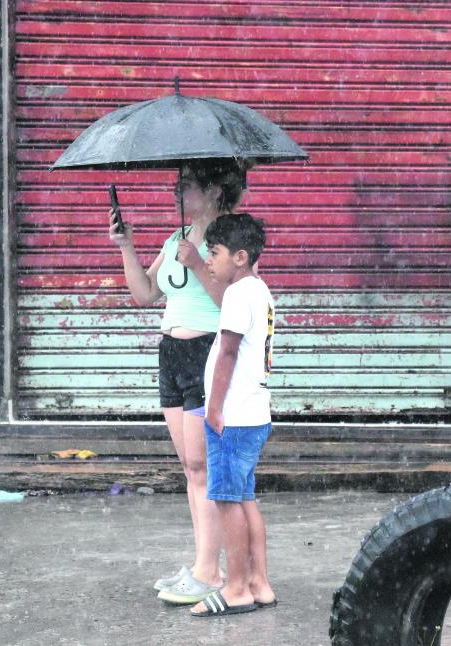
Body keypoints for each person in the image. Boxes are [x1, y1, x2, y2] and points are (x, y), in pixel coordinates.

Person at [108, 160, 248, 605]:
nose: (177, 193)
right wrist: (126, 246)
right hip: (171, 355)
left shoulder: (227, 242)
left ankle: (209, 572)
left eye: (185, 186)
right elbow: (146, 294)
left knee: (202, 466)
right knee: (191, 469)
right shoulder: (175, 239)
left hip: (206, 354)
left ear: (211, 192)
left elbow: (236, 302)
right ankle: (203, 565)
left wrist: (200, 265)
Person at [190, 213, 277, 617]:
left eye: (215, 252)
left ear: (240, 257)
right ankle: (259, 582)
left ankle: (237, 588)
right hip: (253, 412)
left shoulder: (239, 295)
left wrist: (213, 408)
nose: (209, 260)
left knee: (227, 501)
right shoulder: (259, 290)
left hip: (233, 416)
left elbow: (227, 352)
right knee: (244, 498)